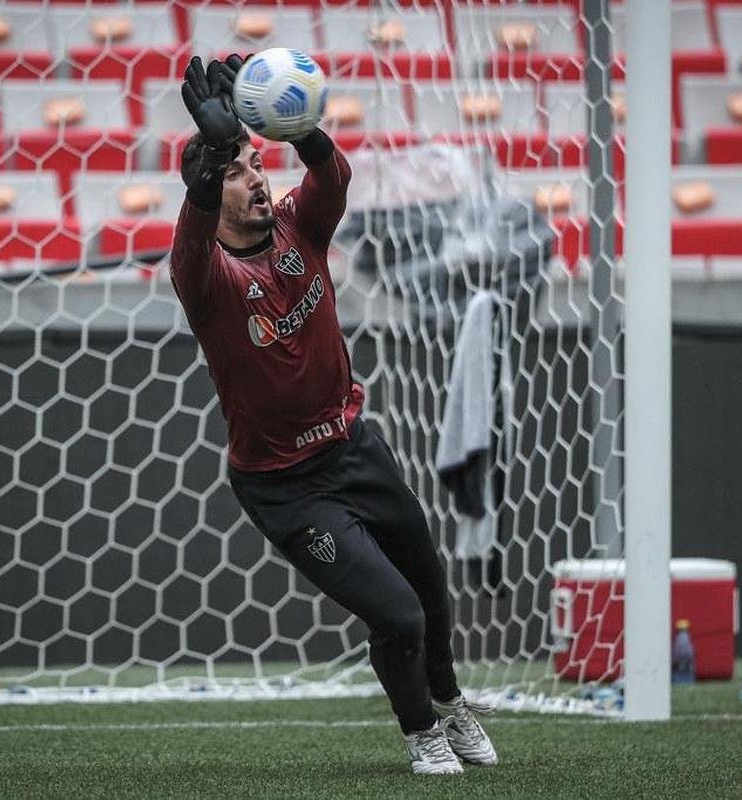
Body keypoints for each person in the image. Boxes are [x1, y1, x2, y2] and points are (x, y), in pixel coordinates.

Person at [169, 55, 498, 775]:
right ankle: (423, 735)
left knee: (430, 591)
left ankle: (449, 702)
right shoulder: (207, 278)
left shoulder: (299, 227)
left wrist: (298, 127)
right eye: (237, 173)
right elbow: (189, 242)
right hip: (285, 486)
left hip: (354, 447)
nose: (256, 179)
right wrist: (208, 169)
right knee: (397, 614)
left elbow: (332, 177)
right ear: (211, 193)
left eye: (257, 165)